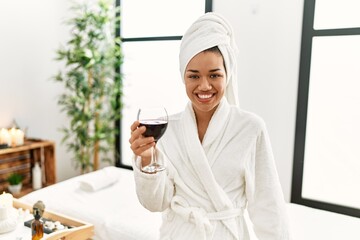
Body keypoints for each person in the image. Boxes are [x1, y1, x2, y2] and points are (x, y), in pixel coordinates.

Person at [129, 12, 291, 240]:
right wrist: (147, 158)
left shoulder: (250, 128)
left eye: (214, 75)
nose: (204, 86)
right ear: (183, 77)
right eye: (193, 76)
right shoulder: (169, 130)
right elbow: (156, 203)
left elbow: (269, 208)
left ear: (228, 75)